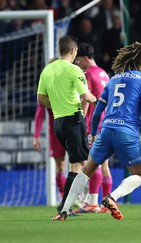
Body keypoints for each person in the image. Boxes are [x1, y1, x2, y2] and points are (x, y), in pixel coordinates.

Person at [52, 41, 141, 221]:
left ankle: (64, 211)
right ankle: (112, 197)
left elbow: (97, 109)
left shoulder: (114, 79)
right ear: (140, 58)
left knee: (86, 171)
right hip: (126, 132)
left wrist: (92, 134)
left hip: (105, 130)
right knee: (140, 174)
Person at [37, 35, 97, 215]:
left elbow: (40, 98)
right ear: (73, 50)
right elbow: (86, 96)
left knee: (77, 164)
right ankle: (65, 207)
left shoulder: (47, 70)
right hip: (73, 120)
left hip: (58, 123)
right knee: (79, 166)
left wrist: (55, 106)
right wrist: (101, 99)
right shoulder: (74, 70)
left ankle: (68, 205)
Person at [73, 43, 112, 213]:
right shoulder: (104, 73)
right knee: (105, 165)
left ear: (86, 58)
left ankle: (93, 202)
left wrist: (80, 119)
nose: (78, 63)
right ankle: (108, 202)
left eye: (79, 60)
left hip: (95, 124)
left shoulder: (88, 73)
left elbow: (86, 98)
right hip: (109, 122)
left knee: (93, 162)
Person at [33, 104, 66, 198]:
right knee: (60, 166)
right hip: (55, 131)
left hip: (73, 127)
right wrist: (36, 135)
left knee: (78, 163)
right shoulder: (46, 89)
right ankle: (63, 194)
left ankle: (78, 196)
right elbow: (40, 110)